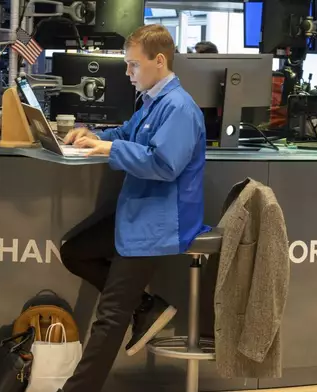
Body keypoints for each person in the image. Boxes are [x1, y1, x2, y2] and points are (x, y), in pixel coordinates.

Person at [59, 24, 209, 392]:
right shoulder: (153, 101)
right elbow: (128, 134)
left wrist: (111, 150)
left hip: (161, 220)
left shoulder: (179, 108)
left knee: (110, 315)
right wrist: (95, 136)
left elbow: (164, 163)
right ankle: (145, 306)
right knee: (74, 251)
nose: (127, 74)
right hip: (139, 211)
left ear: (159, 61)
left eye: (132, 66)